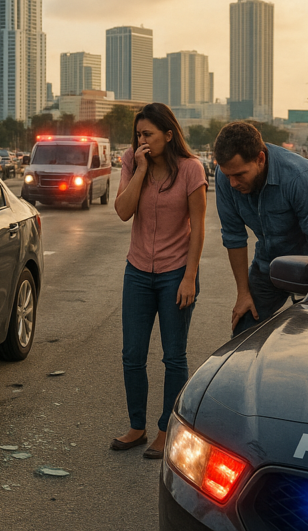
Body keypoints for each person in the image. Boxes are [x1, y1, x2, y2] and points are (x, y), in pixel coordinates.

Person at [112, 104, 207, 459]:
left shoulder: (191, 169)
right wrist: (139, 169)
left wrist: (189, 277)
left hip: (175, 274)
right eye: (138, 135)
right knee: (132, 354)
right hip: (137, 271)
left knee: (174, 356)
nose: (142, 140)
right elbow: (123, 212)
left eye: (148, 134)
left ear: (169, 135)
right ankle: (137, 426)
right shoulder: (130, 161)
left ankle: (166, 429)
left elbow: (198, 227)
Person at [214, 121, 308, 336]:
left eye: (240, 175)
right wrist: (243, 293)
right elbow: (234, 237)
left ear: (260, 159)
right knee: (243, 329)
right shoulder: (225, 177)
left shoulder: (300, 176)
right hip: (267, 265)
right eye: (228, 175)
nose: (232, 183)